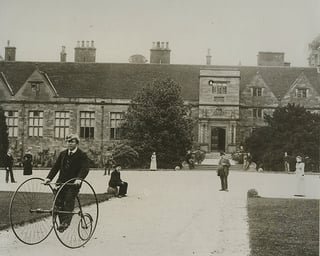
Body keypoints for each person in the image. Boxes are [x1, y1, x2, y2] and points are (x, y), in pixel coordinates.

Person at [44, 134, 89, 232]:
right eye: (68, 141)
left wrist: (79, 178)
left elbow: (85, 168)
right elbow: (56, 167)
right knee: (58, 200)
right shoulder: (63, 154)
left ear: (76, 143)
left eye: (72, 141)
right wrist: (49, 178)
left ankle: (66, 222)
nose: (70, 143)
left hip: (73, 183)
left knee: (69, 198)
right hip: (61, 182)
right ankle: (62, 222)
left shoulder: (82, 155)